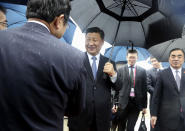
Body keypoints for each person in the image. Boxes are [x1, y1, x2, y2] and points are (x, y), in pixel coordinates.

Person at [0, 0, 86, 130]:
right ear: (59, 20)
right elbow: (75, 109)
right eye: (66, 24)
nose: (66, 27)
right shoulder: (74, 57)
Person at [68, 27, 120, 131]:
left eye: (95, 40)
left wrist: (113, 74)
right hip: (79, 116)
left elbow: (118, 86)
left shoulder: (109, 62)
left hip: (102, 118)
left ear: (102, 42)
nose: (91, 43)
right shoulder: (74, 60)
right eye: (88, 39)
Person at [112, 49, 147, 131]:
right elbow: (116, 88)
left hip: (136, 104)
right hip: (122, 103)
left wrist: (144, 106)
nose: (132, 59)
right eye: (130, 57)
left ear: (137, 58)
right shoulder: (120, 70)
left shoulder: (142, 71)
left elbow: (144, 89)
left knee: (131, 128)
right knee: (121, 127)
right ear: (126, 57)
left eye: (134, 57)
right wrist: (114, 103)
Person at [151, 48, 185, 131]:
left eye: (179, 56)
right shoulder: (162, 74)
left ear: (183, 59)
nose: (176, 59)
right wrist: (154, 114)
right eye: (173, 56)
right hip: (167, 117)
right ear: (169, 59)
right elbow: (156, 96)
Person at [147, 56, 162, 131]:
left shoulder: (166, 71)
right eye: (152, 61)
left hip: (165, 102)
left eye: (155, 60)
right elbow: (148, 86)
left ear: (159, 61)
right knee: (153, 123)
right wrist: (157, 93)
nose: (154, 62)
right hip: (154, 101)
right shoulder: (149, 72)